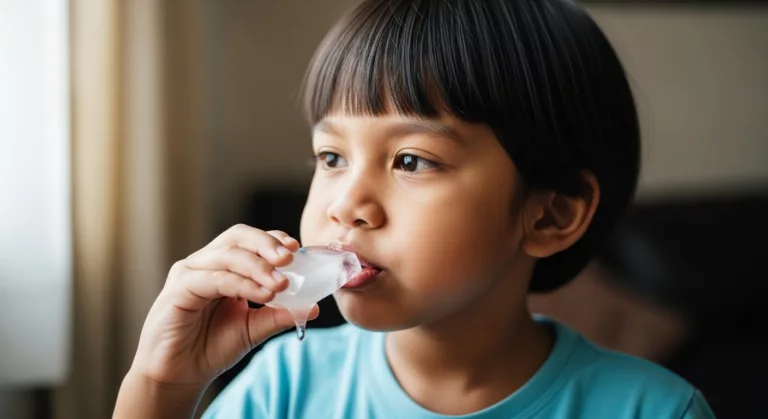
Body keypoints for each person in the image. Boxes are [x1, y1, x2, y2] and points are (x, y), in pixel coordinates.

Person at [114, 1, 716, 418]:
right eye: (331, 156)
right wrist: (163, 386)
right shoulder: (283, 388)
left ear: (549, 215)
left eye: (410, 161)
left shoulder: (655, 409)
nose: (346, 204)